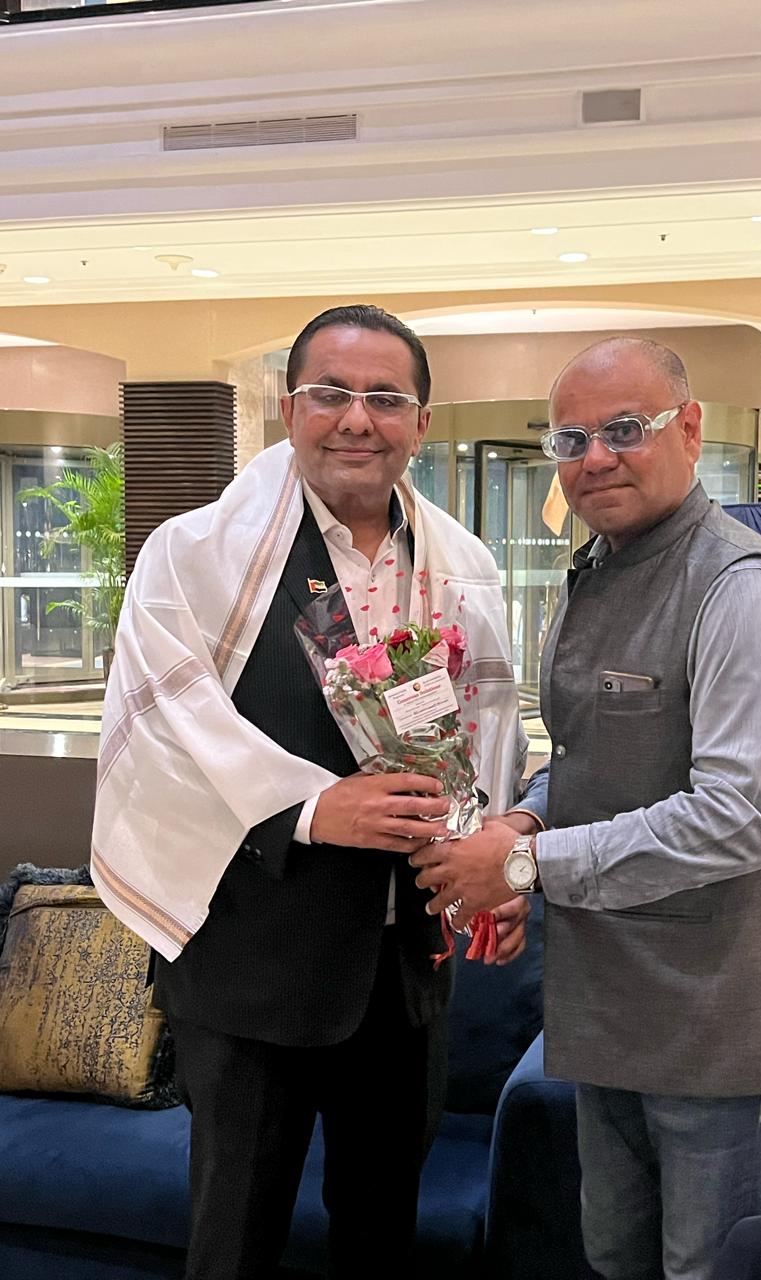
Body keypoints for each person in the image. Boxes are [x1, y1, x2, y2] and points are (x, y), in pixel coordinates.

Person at [411, 336, 761, 1280]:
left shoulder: (741, 589)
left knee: (710, 1267)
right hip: (611, 997)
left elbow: (740, 817)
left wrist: (526, 866)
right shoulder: (597, 572)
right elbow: (588, 759)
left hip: (724, 1018)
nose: (596, 458)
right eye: (571, 439)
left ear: (689, 430)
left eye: (625, 429)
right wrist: (524, 824)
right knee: (615, 1256)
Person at [91, 305, 530, 1280]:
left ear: (421, 422)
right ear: (290, 409)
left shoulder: (462, 567)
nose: (357, 418)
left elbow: (485, 726)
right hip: (253, 970)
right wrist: (311, 807)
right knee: (233, 1245)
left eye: (386, 398)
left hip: (404, 975)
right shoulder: (194, 556)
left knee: (381, 1236)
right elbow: (162, 727)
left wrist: (490, 857)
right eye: (331, 393)